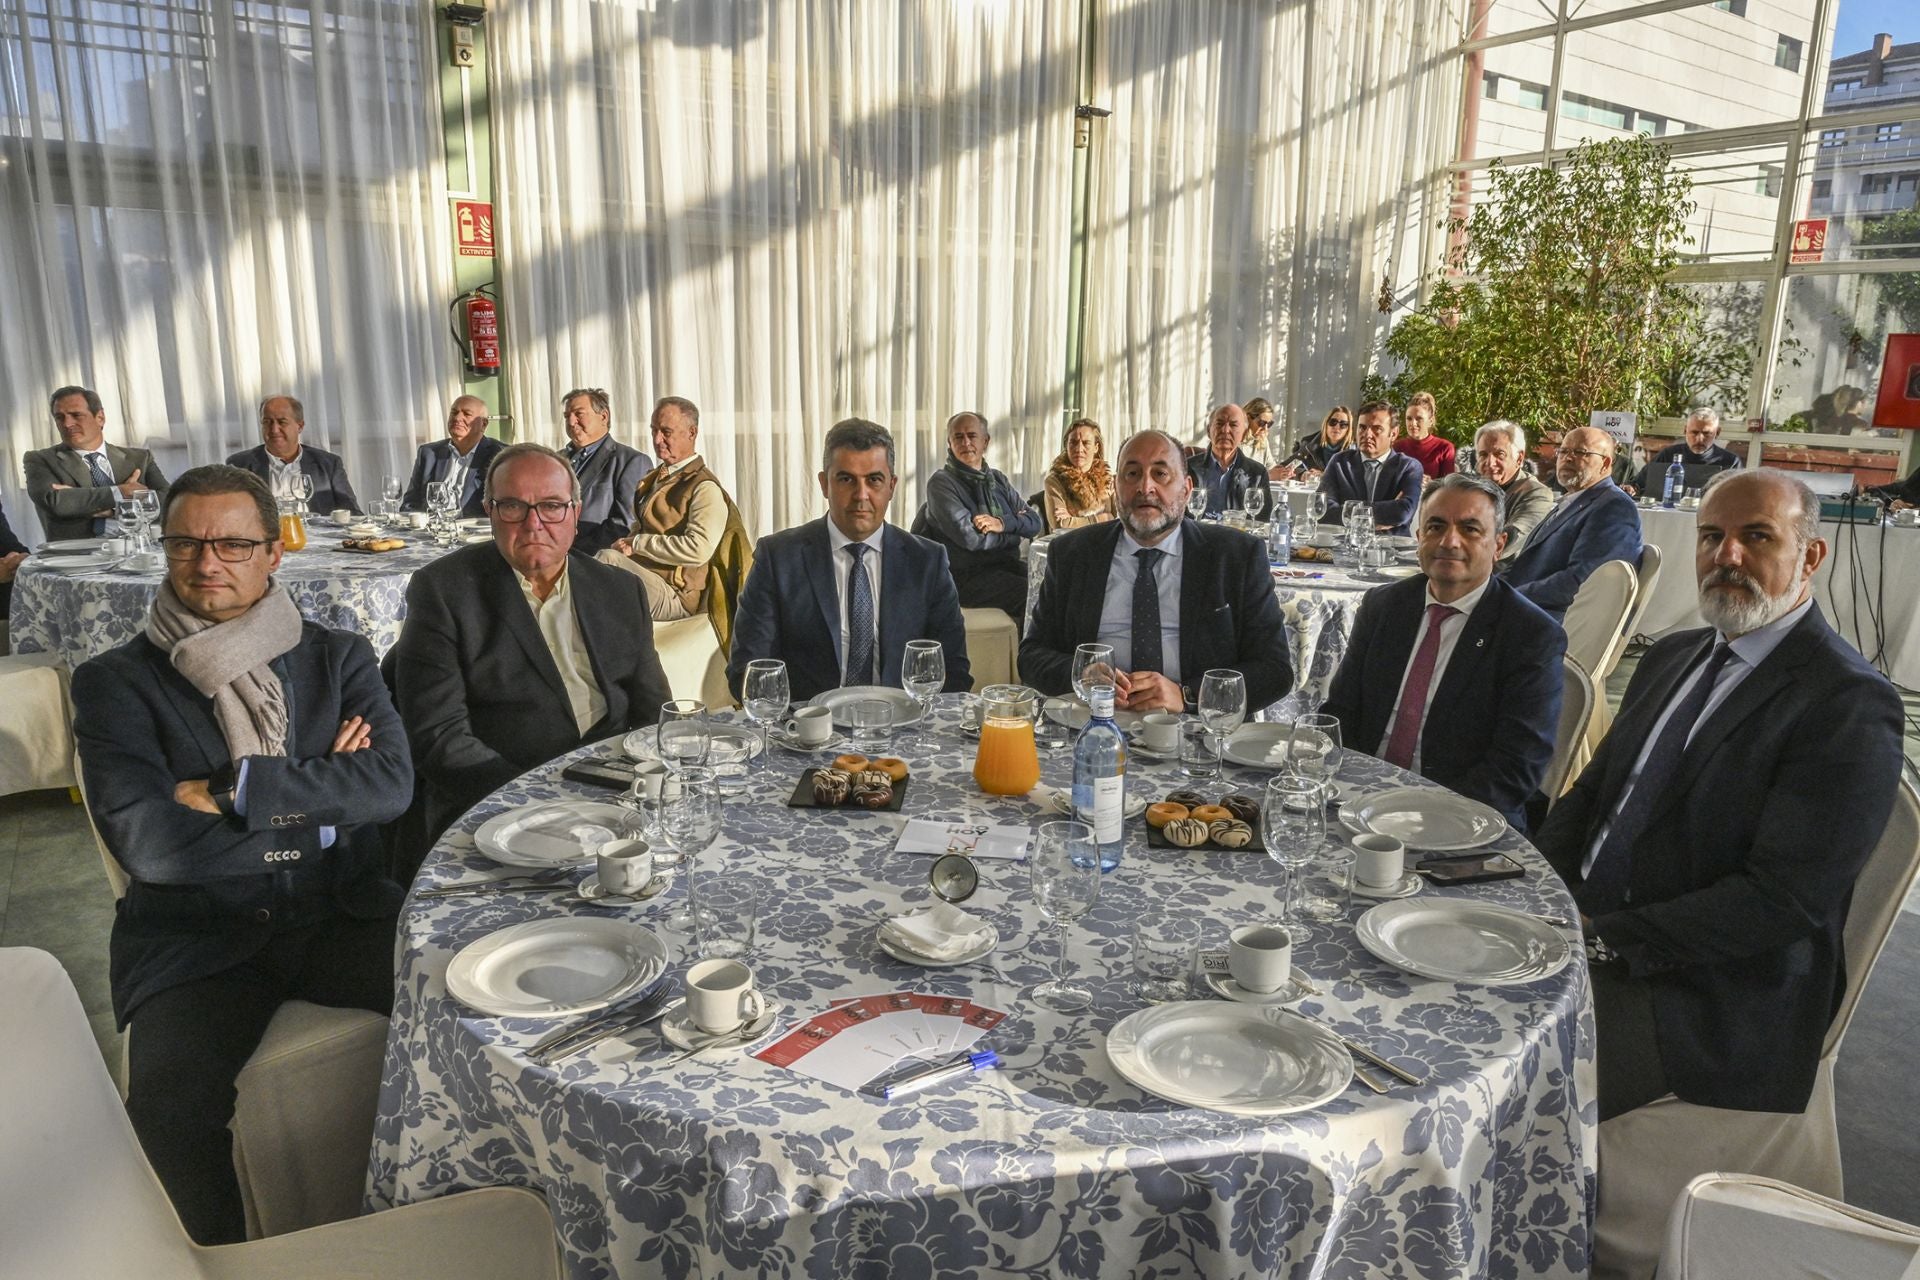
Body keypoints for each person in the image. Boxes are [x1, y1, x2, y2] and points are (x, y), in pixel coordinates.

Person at [70, 464, 410, 1244]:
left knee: (471, 1011)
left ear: (273, 554)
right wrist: (319, 803)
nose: (207, 562)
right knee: (167, 1118)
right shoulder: (114, 682)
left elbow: (388, 784)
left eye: (231, 543)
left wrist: (231, 793)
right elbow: (149, 844)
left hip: (343, 909)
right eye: (186, 543)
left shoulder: (339, 656)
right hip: (198, 939)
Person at [1535, 469, 1902, 1121]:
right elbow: (1591, 797)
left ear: (1810, 555)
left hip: (1711, 994)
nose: (1725, 556)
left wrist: (1598, 935)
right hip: (1593, 928)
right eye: (1711, 537)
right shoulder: (1671, 656)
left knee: (1511, 1070)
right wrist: (1538, 893)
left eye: (1756, 537)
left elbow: (1779, 900)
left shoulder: (1846, 703)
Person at [388, 442, 672, 842]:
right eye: (513, 507)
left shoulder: (619, 589)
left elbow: (652, 713)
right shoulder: (445, 591)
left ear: (576, 512)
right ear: (489, 512)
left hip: (612, 796)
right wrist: (536, 799)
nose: (534, 523)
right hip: (498, 805)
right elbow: (439, 739)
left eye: (552, 506)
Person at [1319, 474, 1563, 831]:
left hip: (1464, 819)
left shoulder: (1529, 634)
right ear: (1419, 537)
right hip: (1360, 806)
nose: (1449, 541)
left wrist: (1419, 817)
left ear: (1499, 544)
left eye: (1470, 529)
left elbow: (1515, 770)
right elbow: (1340, 714)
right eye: (1435, 526)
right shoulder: (1383, 606)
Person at [1020, 429, 1292, 714]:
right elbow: (1031, 655)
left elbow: (1275, 671)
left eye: (1160, 474)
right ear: (1115, 486)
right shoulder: (1073, 554)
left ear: (1186, 490)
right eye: (1132, 474)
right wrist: (1081, 674)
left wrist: (1186, 695)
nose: (1145, 487)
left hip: (1198, 733)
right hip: (1095, 722)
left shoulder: (1235, 556)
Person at [730, 418, 972, 702]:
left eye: (874, 480)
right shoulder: (778, 558)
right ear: (824, 484)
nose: (861, 495)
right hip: (808, 731)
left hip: (901, 727)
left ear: (892, 486)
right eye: (846, 479)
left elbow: (954, 672)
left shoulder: (927, 561)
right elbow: (747, 671)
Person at [598, 396, 754, 641]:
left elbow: (699, 548)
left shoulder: (704, 488)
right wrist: (630, 542)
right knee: (588, 566)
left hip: (677, 595)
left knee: (606, 563)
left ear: (691, 433)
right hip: (650, 579)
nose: (658, 440)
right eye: (654, 431)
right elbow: (642, 526)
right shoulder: (656, 478)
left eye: (666, 432)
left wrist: (637, 544)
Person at [911, 411, 1042, 619]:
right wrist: (1015, 532)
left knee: (1053, 583)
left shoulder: (997, 480)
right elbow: (970, 538)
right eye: (958, 437)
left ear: (985, 442)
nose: (965, 443)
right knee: (1034, 595)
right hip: (966, 577)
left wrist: (1001, 523)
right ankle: (1029, 651)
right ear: (949, 443)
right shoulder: (941, 483)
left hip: (1004, 565)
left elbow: (1035, 523)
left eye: (972, 436)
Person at [1504, 426, 1642, 621]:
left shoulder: (1613, 507)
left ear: (1606, 463)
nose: (1568, 458)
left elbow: (1581, 582)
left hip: (1549, 622)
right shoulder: (1572, 501)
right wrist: (1490, 590)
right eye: (1563, 451)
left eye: (1580, 452)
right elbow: (1524, 566)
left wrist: (1509, 597)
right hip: (1524, 608)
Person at [23, 385, 171, 541]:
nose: (67, 424)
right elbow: (56, 502)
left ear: (100, 417)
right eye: (59, 417)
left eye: (76, 415)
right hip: (76, 557)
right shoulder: (40, 460)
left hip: (137, 549)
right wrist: (121, 492)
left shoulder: (139, 458)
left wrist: (115, 509)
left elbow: (169, 501)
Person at [225, 395, 360, 516]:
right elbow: (229, 514)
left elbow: (352, 513)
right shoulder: (239, 465)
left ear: (300, 426)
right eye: (267, 422)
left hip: (318, 540)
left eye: (282, 422)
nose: (274, 429)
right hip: (267, 541)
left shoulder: (328, 464)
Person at [561, 387, 655, 555]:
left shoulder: (631, 462)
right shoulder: (554, 460)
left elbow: (626, 524)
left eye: (578, 414)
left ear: (604, 417)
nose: (571, 422)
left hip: (595, 562)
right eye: (567, 416)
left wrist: (573, 554)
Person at [1315, 401, 1423, 535]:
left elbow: (1402, 512)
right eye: (1362, 427)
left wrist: (1347, 511)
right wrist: (1381, 514)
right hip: (1345, 546)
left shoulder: (1408, 467)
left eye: (1377, 429)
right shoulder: (1340, 462)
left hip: (1392, 548)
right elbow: (1322, 510)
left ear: (1393, 434)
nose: (1367, 434)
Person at [402, 395, 503, 519]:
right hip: (431, 532)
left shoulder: (500, 455)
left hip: (476, 534)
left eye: (467, 414)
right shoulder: (429, 453)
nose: (457, 418)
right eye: (454, 412)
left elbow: (504, 507)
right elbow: (409, 504)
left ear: (484, 424)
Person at [1472, 420, 1555, 569]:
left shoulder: (1537, 494)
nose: (1489, 463)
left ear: (1519, 458)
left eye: (1499, 454)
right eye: (1483, 454)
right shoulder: (1473, 488)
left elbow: (1511, 538)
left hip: (1505, 579)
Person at [1185, 402, 1273, 518]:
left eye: (1233, 425)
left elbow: (1262, 520)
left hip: (1238, 534)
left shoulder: (1257, 473)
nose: (1225, 430)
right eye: (1219, 424)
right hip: (1197, 534)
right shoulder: (1187, 468)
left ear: (1244, 434)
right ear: (1208, 431)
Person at [1634, 408, 1743, 494]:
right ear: (1685, 430)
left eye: (1706, 433)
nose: (1699, 439)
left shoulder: (1731, 462)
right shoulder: (1668, 455)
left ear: (1717, 433)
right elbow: (1638, 484)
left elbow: (1739, 496)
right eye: (1694, 432)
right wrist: (1632, 488)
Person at [1042, 417, 1117, 531]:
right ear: (1066, 446)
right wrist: (1102, 518)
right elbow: (1061, 524)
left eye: (1086, 443)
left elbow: (1118, 520)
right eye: (1073, 442)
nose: (1079, 449)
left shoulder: (1108, 479)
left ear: (1096, 447)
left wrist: (1076, 520)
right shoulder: (1054, 481)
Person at [1277, 406, 1353, 481]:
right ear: (1326, 424)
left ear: (1348, 429)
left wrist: (1324, 476)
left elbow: (1355, 478)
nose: (1337, 427)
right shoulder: (1309, 444)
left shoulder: (1354, 450)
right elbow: (1284, 467)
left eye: (1343, 424)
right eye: (1333, 422)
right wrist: (1302, 475)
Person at [1392, 391, 1455, 479]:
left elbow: (1449, 487)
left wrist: (1431, 484)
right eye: (1409, 418)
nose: (1413, 423)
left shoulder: (1444, 448)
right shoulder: (1396, 447)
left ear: (1431, 420)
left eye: (1419, 418)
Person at [1241, 397, 1278, 468]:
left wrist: (1300, 474)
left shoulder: (1262, 441)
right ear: (1248, 418)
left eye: (1269, 424)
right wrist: (1269, 475)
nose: (1265, 428)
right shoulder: (1236, 441)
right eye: (1261, 423)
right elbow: (1239, 476)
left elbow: (1271, 467)